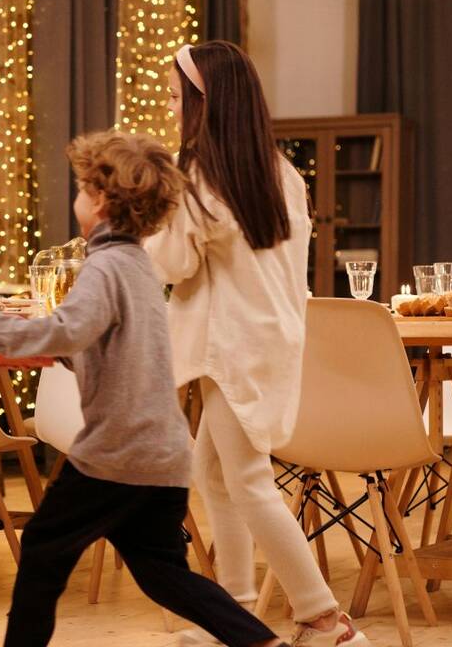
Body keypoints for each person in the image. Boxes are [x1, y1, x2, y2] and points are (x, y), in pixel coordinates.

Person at [0, 131, 288, 647]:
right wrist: (27, 344)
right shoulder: (140, 266)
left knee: (42, 546)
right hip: (163, 454)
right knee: (161, 571)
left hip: (118, 452)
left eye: (82, 188)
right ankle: (262, 642)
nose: (76, 197)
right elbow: (104, 348)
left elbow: (69, 330)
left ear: (100, 200)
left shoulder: (105, 266)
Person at [143, 41, 371, 647]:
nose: (170, 108)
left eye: (176, 97)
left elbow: (171, 262)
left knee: (245, 480)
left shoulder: (200, 176)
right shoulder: (279, 171)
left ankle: (325, 621)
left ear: (205, 102)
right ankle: (237, 617)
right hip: (267, 339)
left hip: (230, 344)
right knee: (215, 473)